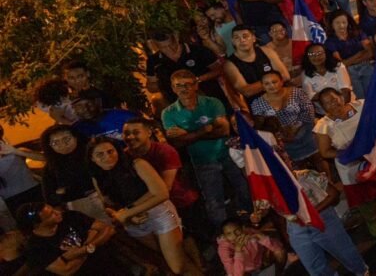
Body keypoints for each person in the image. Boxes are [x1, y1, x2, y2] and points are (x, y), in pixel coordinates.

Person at [87, 137, 197, 275]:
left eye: (110, 151)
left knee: (178, 265)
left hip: (159, 214)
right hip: (134, 223)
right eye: (100, 154)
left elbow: (162, 193)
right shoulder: (97, 177)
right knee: (166, 259)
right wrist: (125, 215)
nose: (107, 157)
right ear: (92, 158)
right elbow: (108, 206)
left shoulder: (136, 164)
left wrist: (128, 212)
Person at [250, 157, 370, 276]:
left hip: (323, 220)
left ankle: (362, 271)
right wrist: (257, 215)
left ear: (288, 163)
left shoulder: (306, 176)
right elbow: (263, 209)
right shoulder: (270, 190)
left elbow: (333, 195)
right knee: (315, 267)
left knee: (346, 253)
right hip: (297, 228)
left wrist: (310, 213)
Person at [162, 70, 251, 229]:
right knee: (214, 199)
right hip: (202, 161)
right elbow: (177, 143)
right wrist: (205, 129)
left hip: (229, 153)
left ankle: (254, 220)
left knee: (244, 188)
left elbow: (224, 131)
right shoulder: (168, 113)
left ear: (196, 85)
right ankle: (224, 232)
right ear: (173, 88)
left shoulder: (212, 102)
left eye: (188, 84)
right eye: (179, 85)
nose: (184, 89)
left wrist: (188, 134)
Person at [312, 88, 376, 240]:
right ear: (323, 107)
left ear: (342, 97)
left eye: (334, 99)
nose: (333, 104)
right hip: (351, 166)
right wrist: (351, 153)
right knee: (366, 198)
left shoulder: (361, 106)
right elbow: (325, 152)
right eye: (327, 103)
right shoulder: (324, 126)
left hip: (375, 155)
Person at [16, 203, 116, 276]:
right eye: (51, 215)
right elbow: (66, 270)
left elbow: (108, 229)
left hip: (110, 265)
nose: (58, 212)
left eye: (53, 209)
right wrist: (92, 240)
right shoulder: (35, 247)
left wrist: (76, 253)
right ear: (37, 225)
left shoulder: (70, 216)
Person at [250, 71, 320, 166]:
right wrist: (281, 134)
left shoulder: (296, 92)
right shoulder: (257, 104)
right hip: (282, 141)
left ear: (281, 82)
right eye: (267, 84)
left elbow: (309, 111)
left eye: (274, 82)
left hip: (306, 132)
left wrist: (296, 127)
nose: (271, 86)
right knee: (297, 167)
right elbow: (261, 125)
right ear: (262, 86)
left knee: (318, 159)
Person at [145, 31, 224, 110]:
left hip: (212, 100)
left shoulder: (198, 50)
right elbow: (151, 88)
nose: (169, 49)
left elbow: (219, 70)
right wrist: (167, 84)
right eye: (163, 47)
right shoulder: (153, 61)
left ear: (176, 38)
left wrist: (197, 79)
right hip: (181, 109)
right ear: (156, 46)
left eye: (171, 45)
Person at [223, 25, 291, 108]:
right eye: (237, 38)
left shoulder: (267, 51)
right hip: (259, 105)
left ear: (253, 38)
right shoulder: (229, 64)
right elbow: (247, 91)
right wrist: (274, 81)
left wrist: (259, 86)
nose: (242, 40)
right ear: (233, 41)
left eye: (245, 36)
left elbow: (285, 76)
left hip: (282, 97)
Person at [324, 10, 375, 99]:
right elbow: (341, 64)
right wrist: (359, 54)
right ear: (332, 24)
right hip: (349, 72)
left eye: (344, 22)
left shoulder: (358, 33)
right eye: (337, 23)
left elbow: (370, 53)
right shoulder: (330, 42)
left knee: (374, 94)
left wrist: (349, 61)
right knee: (360, 98)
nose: (341, 26)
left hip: (366, 66)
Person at [0, 125, 44, 227]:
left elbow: (44, 158)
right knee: (30, 226)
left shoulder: (15, 151)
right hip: (12, 200)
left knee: (50, 216)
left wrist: (16, 151)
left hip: (35, 191)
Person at [216, 219, 286, 276]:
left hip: (260, 263)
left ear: (243, 228)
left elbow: (279, 247)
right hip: (245, 271)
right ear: (224, 236)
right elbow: (236, 274)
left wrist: (263, 238)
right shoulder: (223, 249)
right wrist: (238, 251)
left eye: (237, 231)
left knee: (280, 252)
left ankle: (279, 273)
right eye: (229, 234)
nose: (234, 236)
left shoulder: (250, 232)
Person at [299, 43, 352, 114]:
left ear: (326, 54)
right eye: (311, 54)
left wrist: (343, 110)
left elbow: (345, 91)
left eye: (320, 53)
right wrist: (330, 99)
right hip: (324, 113)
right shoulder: (305, 74)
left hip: (345, 106)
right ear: (307, 57)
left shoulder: (338, 66)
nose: (316, 57)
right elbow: (310, 96)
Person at [69, 94, 138, 142]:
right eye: (79, 106)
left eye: (89, 104)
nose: (86, 109)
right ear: (74, 109)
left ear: (97, 103)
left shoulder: (123, 115)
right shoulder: (76, 129)